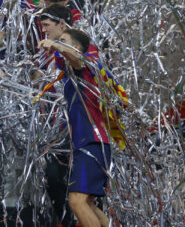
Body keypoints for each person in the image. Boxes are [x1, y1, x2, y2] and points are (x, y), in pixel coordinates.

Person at [38, 29, 111, 227]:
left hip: (92, 142)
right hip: (87, 143)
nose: (58, 43)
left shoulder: (85, 65)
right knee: (88, 203)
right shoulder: (72, 71)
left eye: (63, 40)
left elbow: (76, 58)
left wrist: (54, 43)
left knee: (77, 202)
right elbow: (65, 60)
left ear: (76, 47)